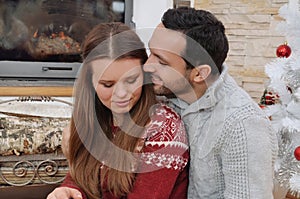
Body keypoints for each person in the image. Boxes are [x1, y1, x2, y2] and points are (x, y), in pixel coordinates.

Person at [143, 7, 278, 199]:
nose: (147, 65)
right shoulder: (162, 92)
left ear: (199, 74)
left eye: (162, 62)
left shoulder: (242, 125)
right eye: (151, 52)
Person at [46, 22, 189, 199]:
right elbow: (82, 176)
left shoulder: (165, 128)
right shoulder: (94, 118)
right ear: (90, 82)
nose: (121, 94)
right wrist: (68, 190)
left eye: (131, 80)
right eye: (108, 84)